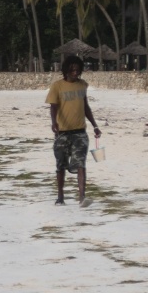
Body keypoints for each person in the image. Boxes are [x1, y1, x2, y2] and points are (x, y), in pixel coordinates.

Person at [46, 56, 102, 206]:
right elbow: (53, 107)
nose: (75, 72)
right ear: (66, 70)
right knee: (60, 166)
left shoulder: (82, 85)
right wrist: (54, 123)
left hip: (80, 133)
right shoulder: (57, 86)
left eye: (78, 70)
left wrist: (95, 125)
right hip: (62, 133)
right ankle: (60, 196)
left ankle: (82, 197)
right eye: (72, 70)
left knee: (81, 164)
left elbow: (86, 107)